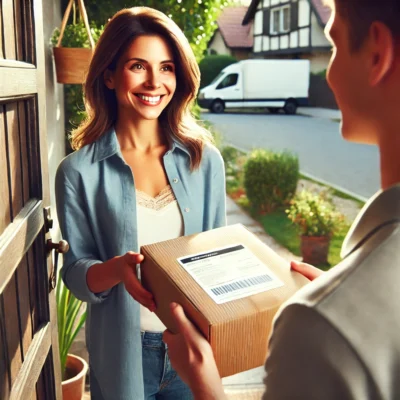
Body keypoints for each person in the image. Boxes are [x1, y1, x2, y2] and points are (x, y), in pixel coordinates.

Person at [163, 0, 400, 398]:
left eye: (336, 46)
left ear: (377, 53)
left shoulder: (318, 329)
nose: (329, 73)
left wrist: (205, 383)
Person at [55, 7, 226, 400]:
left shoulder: (205, 161)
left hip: (193, 347)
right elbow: (77, 275)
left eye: (166, 67)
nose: (155, 81)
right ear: (110, 75)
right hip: (122, 353)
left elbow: (219, 257)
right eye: (138, 66)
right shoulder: (78, 171)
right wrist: (116, 270)